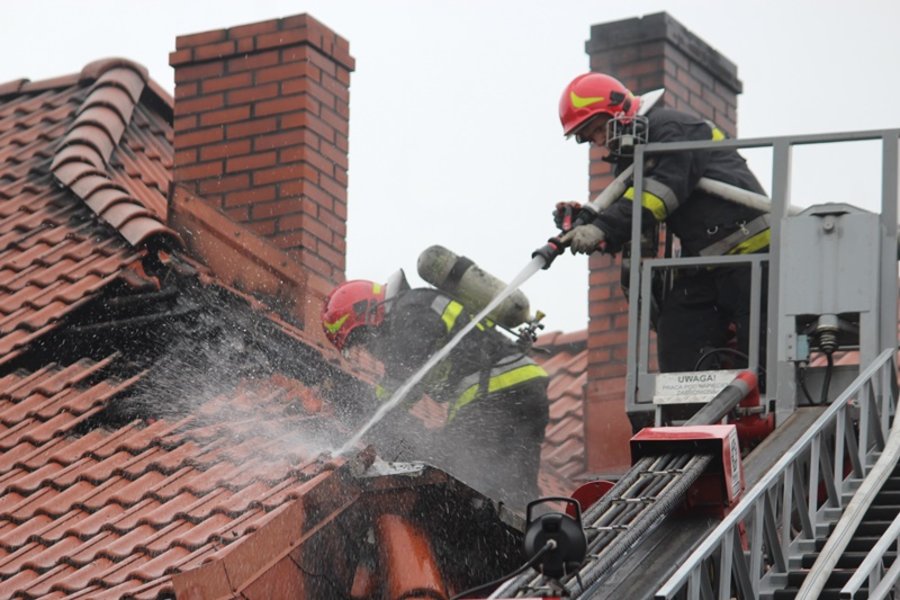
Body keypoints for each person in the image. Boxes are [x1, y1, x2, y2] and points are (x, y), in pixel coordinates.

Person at [556, 72, 769, 373]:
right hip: (708, 263)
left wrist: (602, 228)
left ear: (617, 110)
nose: (600, 142)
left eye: (598, 130)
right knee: (679, 332)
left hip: (756, 255)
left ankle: (753, 404)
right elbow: (631, 214)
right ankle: (688, 412)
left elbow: (659, 194)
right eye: (590, 138)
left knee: (761, 362)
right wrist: (586, 221)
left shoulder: (673, 128)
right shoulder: (636, 152)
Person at [321, 270, 550, 511]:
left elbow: (404, 378)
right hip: (521, 391)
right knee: (516, 491)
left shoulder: (410, 308)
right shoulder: (416, 307)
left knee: (464, 475)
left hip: (499, 392)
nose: (369, 348)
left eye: (362, 338)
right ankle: (556, 535)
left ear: (366, 312)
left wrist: (370, 425)